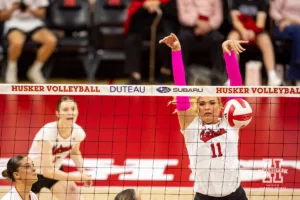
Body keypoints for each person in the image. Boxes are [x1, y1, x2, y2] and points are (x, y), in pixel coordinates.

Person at [160, 34, 248, 199]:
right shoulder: (191, 127)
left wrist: (228, 55)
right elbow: (180, 88)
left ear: (221, 106)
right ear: (197, 108)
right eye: (202, 104)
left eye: (212, 103)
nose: (207, 107)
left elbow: (236, 87)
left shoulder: (230, 122)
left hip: (235, 195)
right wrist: (176, 52)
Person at [28, 96, 92, 200]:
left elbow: (75, 152)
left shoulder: (78, 132)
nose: (70, 112)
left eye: (73, 109)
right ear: (58, 113)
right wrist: (77, 178)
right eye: (65, 109)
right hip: (32, 174)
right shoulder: (47, 133)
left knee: (75, 195)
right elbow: (47, 171)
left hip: (55, 170)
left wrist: (82, 172)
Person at [0, 0, 57, 83]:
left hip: (34, 24)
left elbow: (42, 14)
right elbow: (1, 17)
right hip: (13, 24)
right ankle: (11, 69)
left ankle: (35, 70)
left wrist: (29, 10)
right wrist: (12, 9)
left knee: (51, 40)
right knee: (17, 42)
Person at [227, 0, 282, 86]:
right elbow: (235, 20)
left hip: (256, 31)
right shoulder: (236, 1)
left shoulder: (262, 2)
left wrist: (253, 32)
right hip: (240, 30)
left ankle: (272, 76)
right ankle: (232, 78)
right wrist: (243, 31)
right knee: (231, 40)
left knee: (266, 41)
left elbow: (261, 22)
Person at [176, 0, 225, 85]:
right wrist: (196, 22)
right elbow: (182, 16)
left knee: (217, 39)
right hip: (189, 27)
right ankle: (181, 78)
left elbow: (218, 16)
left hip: (209, 27)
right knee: (181, 40)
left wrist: (208, 26)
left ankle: (217, 77)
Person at [270, 0, 300, 85]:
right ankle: (297, 71)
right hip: (284, 26)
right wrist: (283, 19)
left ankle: (295, 73)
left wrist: (295, 22)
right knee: (297, 31)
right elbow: (273, 11)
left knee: (298, 31)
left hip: (298, 26)